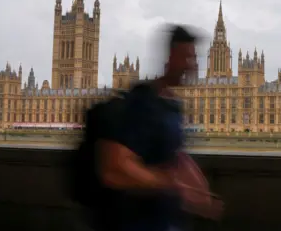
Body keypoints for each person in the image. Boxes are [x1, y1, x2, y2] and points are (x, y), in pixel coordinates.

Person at [92, 25, 222, 231]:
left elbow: (176, 155)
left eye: (194, 58)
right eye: (187, 57)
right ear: (171, 57)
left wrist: (200, 191)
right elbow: (113, 168)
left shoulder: (172, 105)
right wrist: (169, 184)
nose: (192, 65)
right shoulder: (142, 103)